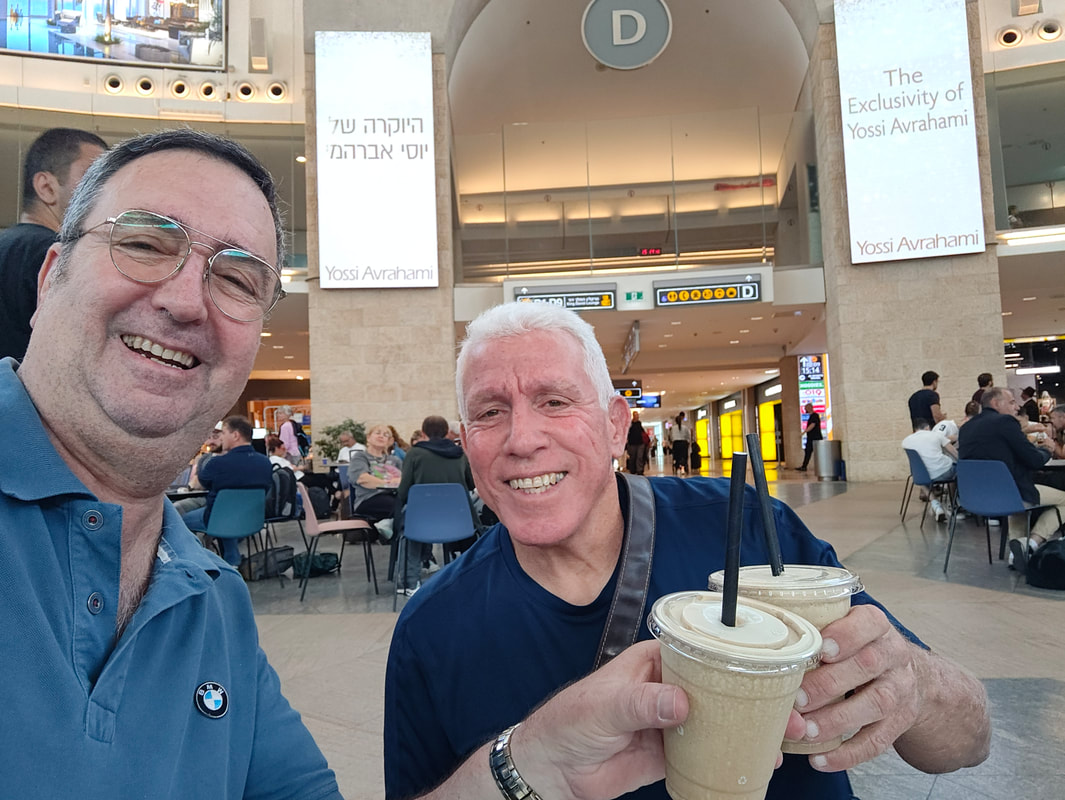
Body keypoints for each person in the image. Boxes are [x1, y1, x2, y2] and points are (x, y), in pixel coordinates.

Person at [0, 129, 680, 800]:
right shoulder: (434, 627)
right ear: (49, 276)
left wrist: (535, 763)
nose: (183, 300)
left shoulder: (212, 599)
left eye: (235, 277)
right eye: (145, 244)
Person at [383, 301, 990, 800]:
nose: (522, 439)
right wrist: (521, 764)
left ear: (615, 425)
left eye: (555, 402)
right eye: (490, 412)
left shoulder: (750, 529)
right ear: (467, 443)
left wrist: (915, 683)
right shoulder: (432, 628)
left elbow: (970, 741)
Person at [0, 127, 107, 360]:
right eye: (92, 178)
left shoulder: (6, 244)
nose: (104, 191)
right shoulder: (59, 253)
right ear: (46, 187)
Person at [958, 386, 1065, 569]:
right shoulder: (1006, 422)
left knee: (1017, 501)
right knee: (1062, 499)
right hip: (1009, 494)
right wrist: (1047, 449)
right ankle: (1031, 543)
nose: (1017, 407)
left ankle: (1016, 554)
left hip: (974, 498)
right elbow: (1034, 460)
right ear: (995, 403)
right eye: (1012, 402)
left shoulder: (966, 428)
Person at [394, 414, 477, 595]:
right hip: (460, 521)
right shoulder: (460, 454)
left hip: (422, 524)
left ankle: (410, 583)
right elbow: (471, 484)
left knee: (410, 522)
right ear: (447, 432)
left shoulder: (414, 454)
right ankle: (472, 578)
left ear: (423, 433)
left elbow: (403, 491)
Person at [181, 415, 273, 566]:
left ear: (235, 435)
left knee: (182, 522)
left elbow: (202, 482)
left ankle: (199, 563)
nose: (221, 438)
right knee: (228, 514)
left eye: (224, 433)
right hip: (253, 519)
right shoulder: (265, 463)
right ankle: (232, 560)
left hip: (216, 518)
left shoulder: (217, 464)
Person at [902, 419, 958, 522]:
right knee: (958, 472)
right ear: (927, 427)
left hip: (921, 476)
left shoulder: (905, 441)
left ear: (915, 430)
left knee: (920, 477)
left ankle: (936, 505)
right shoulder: (937, 435)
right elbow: (954, 453)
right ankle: (955, 504)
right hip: (945, 472)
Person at [347, 422, 402, 522]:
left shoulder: (395, 460)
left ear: (389, 441)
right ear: (368, 438)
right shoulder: (360, 457)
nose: (381, 436)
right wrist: (389, 483)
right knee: (397, 507)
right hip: (368, 499)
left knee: (411, 505)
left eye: (385, 435)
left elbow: (405, 479)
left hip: (393, 497)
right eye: (378, 433)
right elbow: (363, 479)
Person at [797, 402, 822, 472]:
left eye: (806, 409)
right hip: (811, 437)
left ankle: (805, 466)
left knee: (812, 452)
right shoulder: (812, 416)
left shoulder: (814, 416)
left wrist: (804, 432)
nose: (805, 410)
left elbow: (812, 425)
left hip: (815, 437)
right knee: (808, 451)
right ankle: (804, 466)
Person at [626, 410, 647, 474]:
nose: (637, 416)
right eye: (636, 415)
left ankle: (639, 470)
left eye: (638, 415)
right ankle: (633, 470)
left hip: (640, 443)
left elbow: (642, 432)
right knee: (633, 457)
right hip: (632, 443)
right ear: (633, 416)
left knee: (639, 457)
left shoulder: (639, 423)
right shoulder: (630, 424)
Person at [670, 411, 690, 475]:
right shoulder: (685, 427)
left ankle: (676, 467)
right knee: (684, 456)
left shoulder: (673, 428)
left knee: (676, 456)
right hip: (683, 443)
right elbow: (688, 436)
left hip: (676, 443)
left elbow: (671, 437)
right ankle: (684, 468)